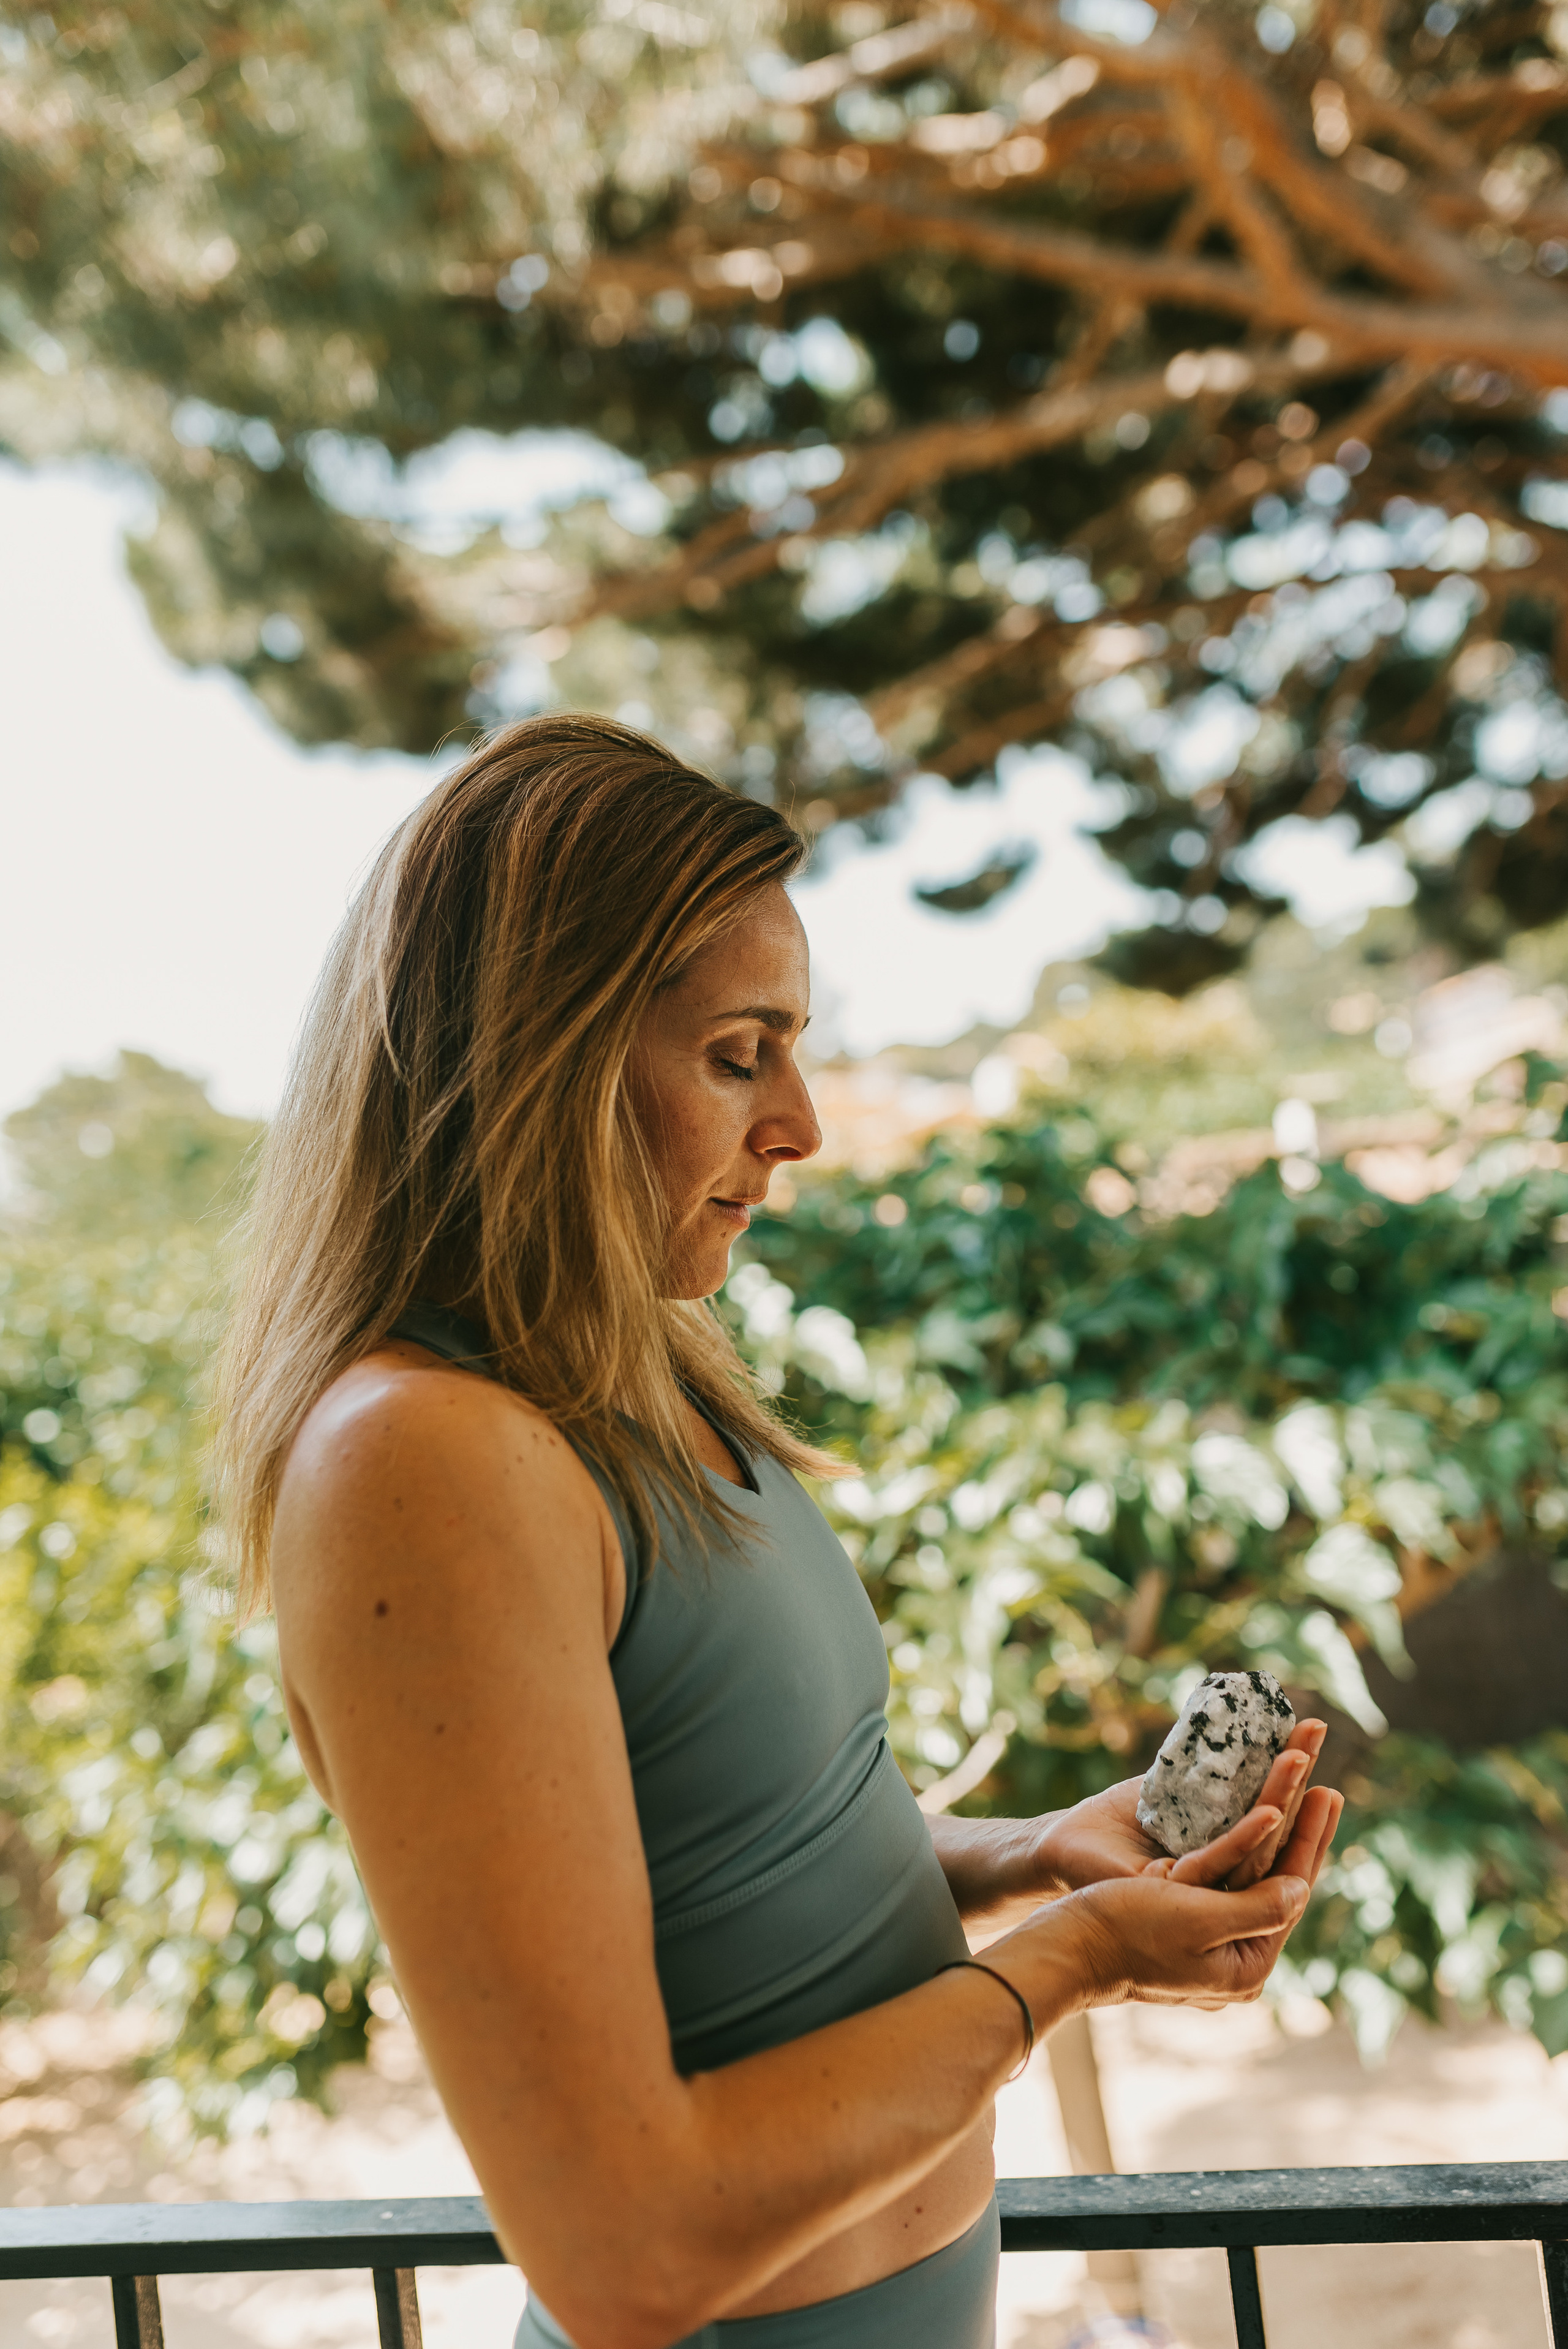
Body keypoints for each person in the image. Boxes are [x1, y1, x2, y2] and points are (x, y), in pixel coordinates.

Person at [213, 714, 1341, 2349]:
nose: (802, 1123)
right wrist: (1074, 1957)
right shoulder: (423, 1458)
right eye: (741, 1051)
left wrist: (1031, 1857)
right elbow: (625, 2250)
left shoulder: (641, 1392)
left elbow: (738, 1847)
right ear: (544, 1051)